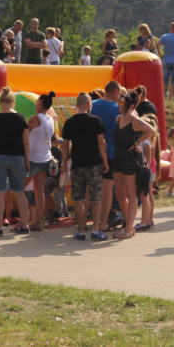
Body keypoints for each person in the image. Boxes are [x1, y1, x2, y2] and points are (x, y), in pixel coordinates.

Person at [61, 93, 109, 241]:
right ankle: (95, 230)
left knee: (79, 199)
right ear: (88, 104)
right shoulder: (96, 121)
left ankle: (81, 231)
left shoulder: (69, 122)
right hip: (93, 164)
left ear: (77, 105)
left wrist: (64, 163)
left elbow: (64, 145)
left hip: (77, 165)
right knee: (96, 199)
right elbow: (102, 143)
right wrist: (105, 161)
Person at [0, 87, 30, 235]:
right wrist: (27, 160)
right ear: (13, 102)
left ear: (0, 102)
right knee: (19, 191)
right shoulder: (21, 118)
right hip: (17, 156)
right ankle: (24, 224)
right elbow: (26, 143)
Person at [112, 92, 156, 238]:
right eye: (119, 103)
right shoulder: (118, 118)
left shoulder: (134, 120)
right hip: (118, 157)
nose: (120, 106)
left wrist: (138, 141)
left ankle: (129, 228)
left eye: (123, 104)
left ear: (131, 106)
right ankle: (127, 223)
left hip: (131, 159)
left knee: (131, 195)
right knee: (119, 192)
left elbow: (151, 130)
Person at [90, 81, 122, 232]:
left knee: (90, 187)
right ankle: (103, 221)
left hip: (91, 150)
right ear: (115, 91)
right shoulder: (118, 109)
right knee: (108, 187)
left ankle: (87, 221)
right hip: (111, 151)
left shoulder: (92, 105)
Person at [26, 93, 56, 231]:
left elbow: (24, 135)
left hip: (33, 158)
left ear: (40, 103)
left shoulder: (34, 119)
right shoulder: (51, 120)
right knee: (39, 191)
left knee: (19, 188)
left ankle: (24, 222)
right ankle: (38, 221)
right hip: (46, 158)